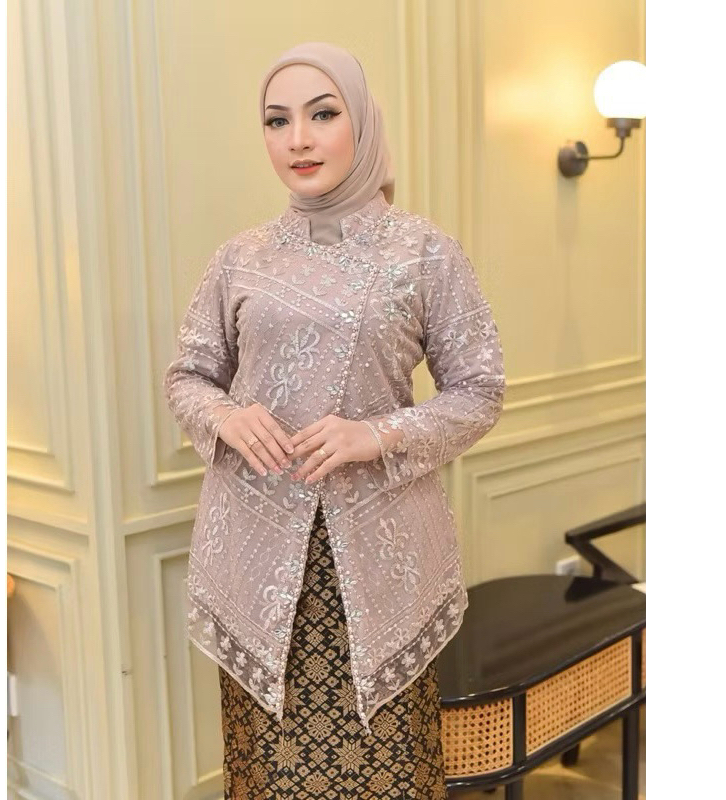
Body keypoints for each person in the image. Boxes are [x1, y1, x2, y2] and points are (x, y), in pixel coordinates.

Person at [163, 41, 506, 799]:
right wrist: (225, 416)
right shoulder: (239, 258)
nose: (298, 139)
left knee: (385, 769)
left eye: (322, 114)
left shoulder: (425, 254)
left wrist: (376, 434)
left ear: (362, 122)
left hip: (377, 561)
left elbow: (479, 390)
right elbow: (187, 376)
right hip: (257, 557)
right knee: (271, 771)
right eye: (276, 120)